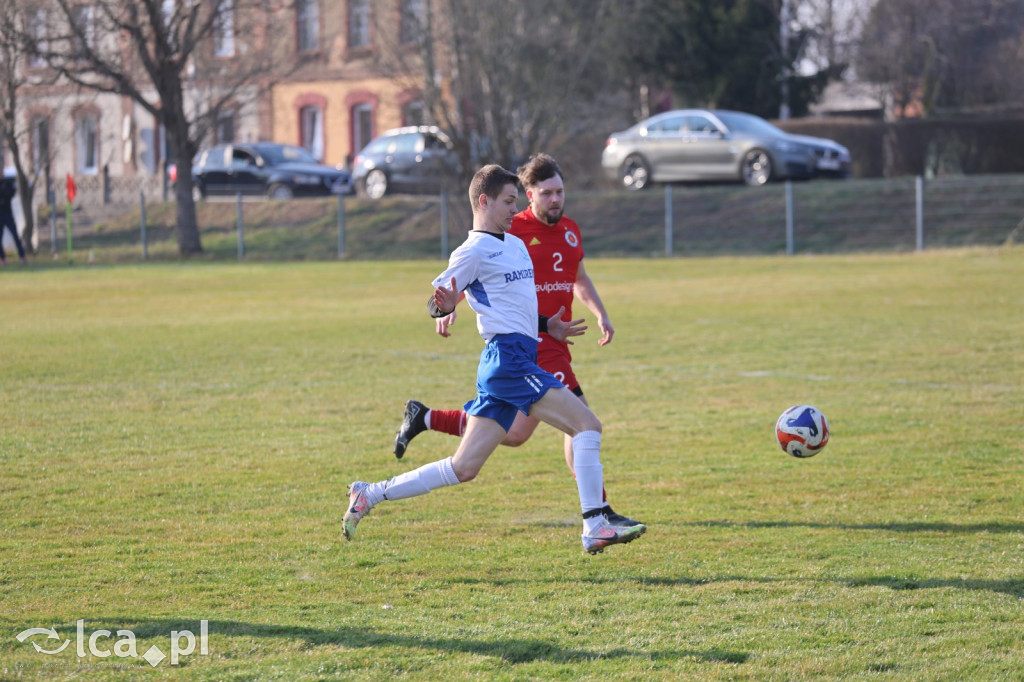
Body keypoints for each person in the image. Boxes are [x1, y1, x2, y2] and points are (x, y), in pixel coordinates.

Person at [343, 164, 646, 554]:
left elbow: (511, 304)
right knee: (587, 425)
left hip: (512, 358)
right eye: (507, 201)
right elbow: (437, 298)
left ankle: (370, 493)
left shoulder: (514, 244)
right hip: (509, 361)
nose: (512, 209)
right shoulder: (472, 251)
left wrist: (545, 325)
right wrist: (446, 305)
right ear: (483, 201)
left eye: (516, 201)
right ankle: (595, 523)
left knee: (463, 468)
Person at [0, 170, 28, 266]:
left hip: (8, 214)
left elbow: (11, 194)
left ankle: (22, 256)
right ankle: (2, 259)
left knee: (15, 236)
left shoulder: (7, 183)